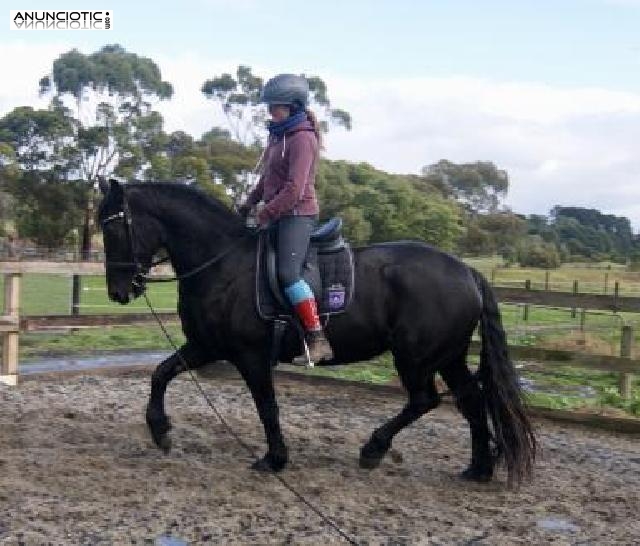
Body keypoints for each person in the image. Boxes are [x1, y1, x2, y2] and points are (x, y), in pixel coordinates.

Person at [238, 73, 333, 364]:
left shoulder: (303, 138)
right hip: (277, 212)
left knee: (288, 274)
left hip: (298, 214)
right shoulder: (277, 135)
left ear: (292, 106)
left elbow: (295, 188)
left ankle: (317, 338)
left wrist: (265, 214)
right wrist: (248, 204)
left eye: (275, 105)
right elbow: (267, 178)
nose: (270, 111)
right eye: (269, 105)